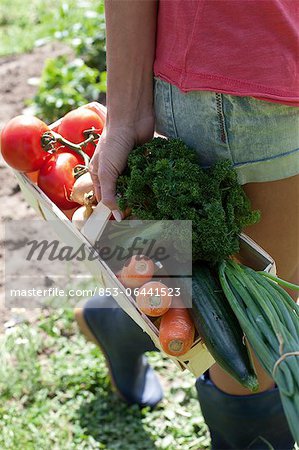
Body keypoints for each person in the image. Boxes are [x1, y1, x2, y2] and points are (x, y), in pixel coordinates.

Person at [75, 1, 299, 448]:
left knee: (228, 296)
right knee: (256, 336)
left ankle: (113, 318)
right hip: (251, 84)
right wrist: (127, 110)